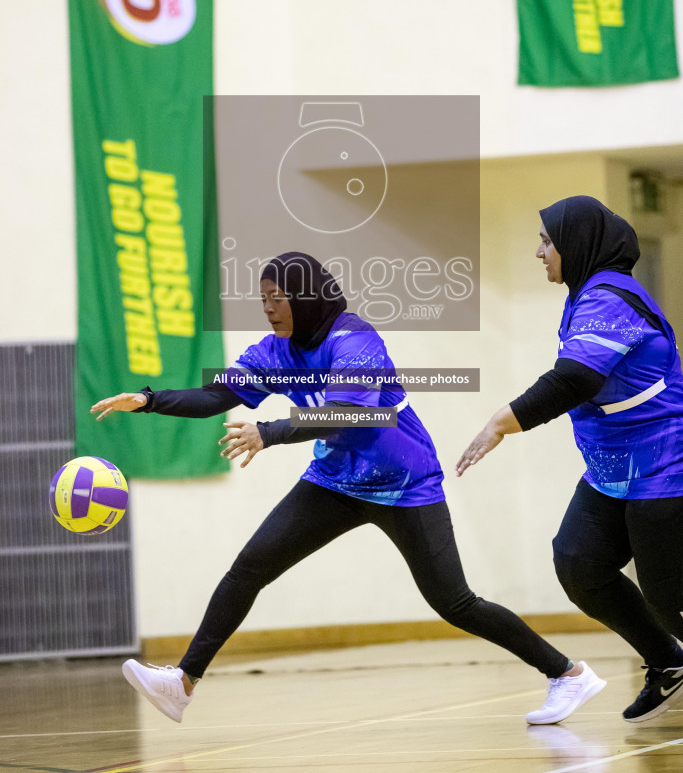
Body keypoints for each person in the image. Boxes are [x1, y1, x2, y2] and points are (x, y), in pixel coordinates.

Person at [92, 251, 604, 725]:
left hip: (404, 482)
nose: (269, 308)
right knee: (250, 567)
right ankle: (181, 683)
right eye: (263, 299)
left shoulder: (356, 340)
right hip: (334, 480)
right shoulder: (274, 352)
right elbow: (214, 395)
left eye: (278, 297)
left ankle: (567, 674)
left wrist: (268, 433)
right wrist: (148, 397)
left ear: (307, 296)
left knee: (455, 604)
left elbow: (350, 413)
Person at [456, 195, 683, 724]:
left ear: (577, 244)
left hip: (664, 462)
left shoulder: (610, 297)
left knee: (669, 593)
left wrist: (500, 423)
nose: (540, 251)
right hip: (613, 470)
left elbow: (575, 379)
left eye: (547, 240)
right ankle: (669, 663)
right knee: (579, 561)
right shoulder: (586, 296)